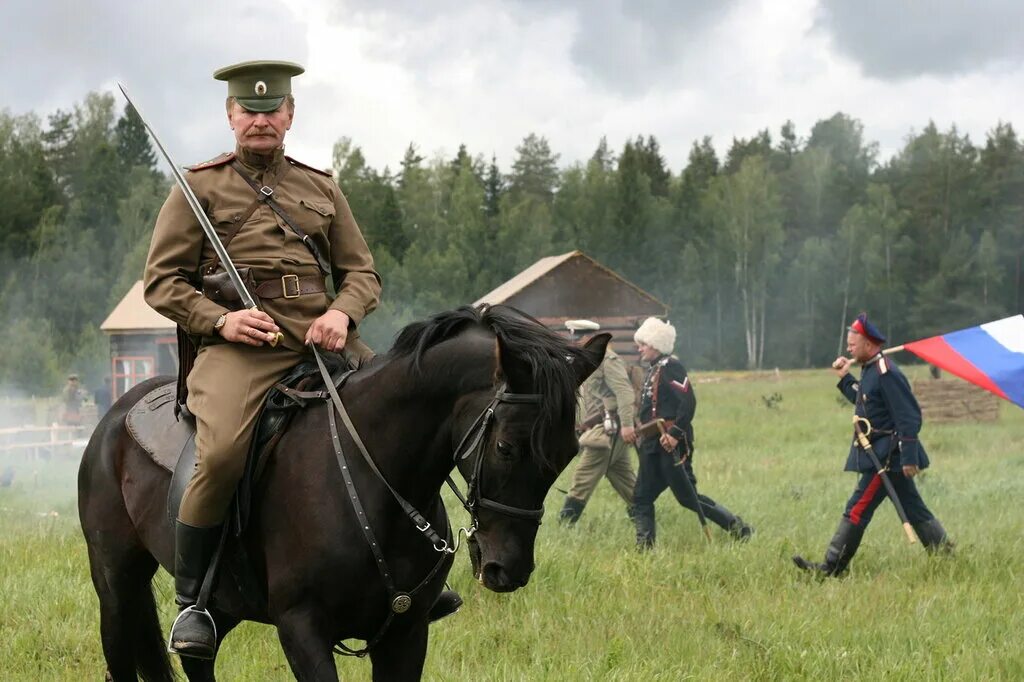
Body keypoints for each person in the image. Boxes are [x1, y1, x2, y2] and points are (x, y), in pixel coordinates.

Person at [144, 60, 390, 658]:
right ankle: (194, 603)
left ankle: (410, 576)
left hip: (323, 340)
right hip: (241, 350)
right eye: (248, 111)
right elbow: (161, 283)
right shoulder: (198, 187)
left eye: (271, 109)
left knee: (401, 417)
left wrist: (343, 314)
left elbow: (362, 272)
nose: (260, 120)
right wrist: (221, 320)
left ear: (289, 115)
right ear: (231, 116)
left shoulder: (322, 186)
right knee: (224, 451)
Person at [793, 313, 952, 577]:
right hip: (880, 454)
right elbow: (864, 401)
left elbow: (909, 416)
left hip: (887, 457)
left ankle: (830, 569)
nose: (848, 348)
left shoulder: (886, 372)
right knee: (914, 508)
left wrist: (909, 457)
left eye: (853, 344)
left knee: (857, 508)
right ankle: (947, 558)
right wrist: (845, 377)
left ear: (868, 344)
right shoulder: (870, 370)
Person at [631, 317, 753, 549]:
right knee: (641, 497)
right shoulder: (653, 369)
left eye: (643, 344)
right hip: (651, 444)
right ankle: (644, 550)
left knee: (688, 498)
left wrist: (675, 433)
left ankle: (740, 529)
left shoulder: (671, 367)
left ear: (655, 344)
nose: (639, 348)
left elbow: (687, 402)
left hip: (670, 444)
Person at [557, 319, 637, 524]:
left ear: (588, 337)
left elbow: (625, 393)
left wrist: (628, 425)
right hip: (600, 431)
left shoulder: (607, 360)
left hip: (605, 432)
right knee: (629, 486)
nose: (573, 341)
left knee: (581, 481)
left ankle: (564, 526)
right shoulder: (585, 360)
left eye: (578, 337)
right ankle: (644, 520)